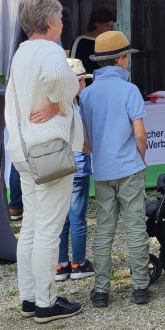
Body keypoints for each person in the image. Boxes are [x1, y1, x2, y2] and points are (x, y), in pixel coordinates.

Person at [4, 0, 83, 324]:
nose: (63, 23)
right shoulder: (50, 50)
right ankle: (46, 304)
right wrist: (59, 101)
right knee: (48, 230)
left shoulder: (21, 52)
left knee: (32, 228)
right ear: (50, 22)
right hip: (48, 150)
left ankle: (29, 298)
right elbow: (58, 79)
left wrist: (55, 99)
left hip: (23, 151)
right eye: (61, 18)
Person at [80, 31, 149, 307]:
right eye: (127, 57)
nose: (128, 61)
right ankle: (140, 287)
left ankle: (101, 291)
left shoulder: (87, 94)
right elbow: (140, 134)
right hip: (130, 167)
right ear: (121, 59)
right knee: (135, 228)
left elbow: (85, 142)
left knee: (104, 231)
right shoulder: (130, 90)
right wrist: (141, 158)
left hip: (103, 171)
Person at [55, 59, 95, 282]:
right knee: (78, 219)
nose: (85, 85)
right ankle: (79, 263)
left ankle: (61, 264)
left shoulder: (55, 109)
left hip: (58, 168)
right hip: (78, 168)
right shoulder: (77, 110)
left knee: (62, 219)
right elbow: (85, 144)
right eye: (82, 81)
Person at [70, 8, 115, 78]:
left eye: (111, 26)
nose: (109, 29)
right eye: (106, 25)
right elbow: (73, 65)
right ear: (96, 23)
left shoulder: (111, 42)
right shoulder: (81, 41)